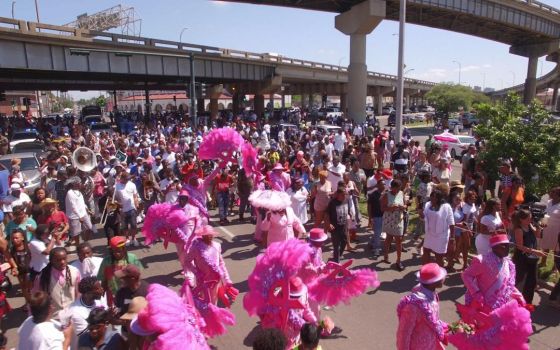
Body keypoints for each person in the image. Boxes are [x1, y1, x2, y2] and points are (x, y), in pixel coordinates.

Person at [462, 234, 525, 312]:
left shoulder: (508, 263)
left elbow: (508, 285)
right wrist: (476, 293)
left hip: (501, 306)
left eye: (508, 246)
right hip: (483, 304)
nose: (507, 249)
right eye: (503, 246)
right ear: (494, 247)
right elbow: (466, 275)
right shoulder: (482, 260)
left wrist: (519, 295)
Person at [396, 263, 447, 350]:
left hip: (431, 344)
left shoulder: (433, 293)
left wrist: (447, 327)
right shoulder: (413, 306)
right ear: (433, 283)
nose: (443, 278)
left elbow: (433, 320)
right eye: (440, 277)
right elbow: (403, 334)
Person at [184, 225, 232, 305]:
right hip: (203, 281)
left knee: (214, 302)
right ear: (202, 236)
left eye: (211, 234)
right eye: (207, 235)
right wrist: (197, 272)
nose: (209, 236)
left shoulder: (217, 245)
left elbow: (221, 263)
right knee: (204, 303)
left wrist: (227, 279)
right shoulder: (196, 248)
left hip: (216, 280)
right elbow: (187, 261)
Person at [33, 247, 81, 317]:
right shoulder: (43, 276)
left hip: (71, 313)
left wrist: (77, 309)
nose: (62, 262)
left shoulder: (74, 271)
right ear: (51, 261)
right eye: (58, 260)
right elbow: (36, 296)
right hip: (53, 317)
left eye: (64, 258)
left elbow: (78, 292)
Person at [61, 277, 106, 349]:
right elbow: (92, 335)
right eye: (98, 288)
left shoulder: (100, 300)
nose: (102, 289)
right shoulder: (75, 312)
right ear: (87, 294)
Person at [511, 209, 544, 306]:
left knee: (532, 281)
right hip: (521, 258)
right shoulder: (519, 229)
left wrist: (539, 227)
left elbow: (538, 235)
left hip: (532, 258)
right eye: (529, 218)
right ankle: (506, 294)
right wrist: (535, 251)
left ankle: (527, 302)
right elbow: (520, 247)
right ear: (521, 219)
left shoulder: (529, 225)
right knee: (518, 278)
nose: (531, 219)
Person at [97, 236, 142, 307]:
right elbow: (104, 280)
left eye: (119, 251)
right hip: (112, 296)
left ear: (124, 249)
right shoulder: (106, 261)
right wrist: (100, 299)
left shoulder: (132, 258)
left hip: (130, 294)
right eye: (114, 251)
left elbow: (138, 277)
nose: (116, 254)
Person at [422, 186, 454, 268]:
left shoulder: (446, 207)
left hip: (441, 236)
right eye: (431, 197)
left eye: (434, 198)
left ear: (439, 199)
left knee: (439, 256)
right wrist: (421, 215)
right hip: (429, 234)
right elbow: (424, 217)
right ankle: (426, 272)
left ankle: (439, 276)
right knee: (426, 251)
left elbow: (451, 223)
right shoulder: (427, 205)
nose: (432, 200)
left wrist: (452, 238)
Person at [382, 179, 406, 271]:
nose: (397, 190)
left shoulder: (401, 193)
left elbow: (405, 205)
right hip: (389, 220)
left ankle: (398, 260)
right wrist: (391, 207)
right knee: (389, 238)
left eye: (398, 188)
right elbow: (382, 208)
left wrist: (403, 207)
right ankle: (386, 255)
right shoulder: (386, 195)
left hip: (398, 220)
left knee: (399, 240)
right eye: (395, 188)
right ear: (392, 187)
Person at [65, 176, 93, 249]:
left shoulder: (79, 192)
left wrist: (88, 210)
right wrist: (79, 216)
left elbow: (81, 203)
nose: (81, 184)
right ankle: (78, 247)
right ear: (75, 184)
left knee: (89, 227)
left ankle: (84, 243)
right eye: (80, 183)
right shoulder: (70, 193)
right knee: (76, 233)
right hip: (74, 216)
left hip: (83, 213)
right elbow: (73, 206)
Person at [115, 173, 140, 247]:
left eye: (128, 179)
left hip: (132, 208)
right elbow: (115, 197)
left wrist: (136, 205)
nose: (127, 180)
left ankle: (134, 238)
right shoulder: (117, 186)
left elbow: (135, 196)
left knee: (133, 225)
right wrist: (118, 205)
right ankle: (127, 239)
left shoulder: (132, 185)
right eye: (126, 179)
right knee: (125, 226)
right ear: (122, 178)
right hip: (122, 209)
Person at [325, 188, 349, 263]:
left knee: (344, 242)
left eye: (345, 194)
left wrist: (350, 215)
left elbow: (347, 211)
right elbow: (326, 214)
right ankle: (336, 263)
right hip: (335, 228)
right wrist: (329, 224)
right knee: (336, 246)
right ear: (338, 195)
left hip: (344, 227)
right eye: (343, 195)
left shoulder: (346, 201)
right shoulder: (332, 203)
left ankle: (338, 256)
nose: (344, 196)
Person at [540, 186, 560, 268]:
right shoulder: (548, 202)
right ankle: (543, 262)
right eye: (551, 192)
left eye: (553, 192)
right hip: (546, 227)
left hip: (557, 230)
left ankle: (555, 267)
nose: (551, 194)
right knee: (546, 246)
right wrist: (541, 221)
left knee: (556, 249)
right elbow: (542, 213)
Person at [368, 179, 385, 259]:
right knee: (378, 233)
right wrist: (370, 217)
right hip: (376, 216)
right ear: (378, 185)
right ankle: (376, 249)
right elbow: (369, 206)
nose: (383, 186)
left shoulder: (386, 194)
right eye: (382, 184)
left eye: (384, 184)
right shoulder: (373, 195)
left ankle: (371, 242)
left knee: (379, 232)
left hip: (385, 216)